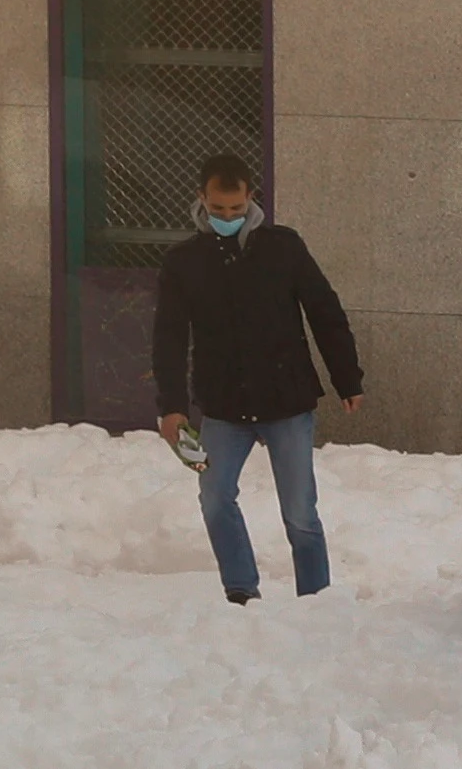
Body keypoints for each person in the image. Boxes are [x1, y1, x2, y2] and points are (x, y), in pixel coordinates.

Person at [154, 154, 364, 603]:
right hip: (223, 406)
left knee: (300, 512)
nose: (227, 217)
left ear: (251, 198)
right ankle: (241, 590)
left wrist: (347, 377)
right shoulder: (184, 261)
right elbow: (168, 336)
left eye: (235, 208)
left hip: (286, 400)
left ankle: (315, 598)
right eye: (218, 209)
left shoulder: (283, 247)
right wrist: (170, 406)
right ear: (201, 200)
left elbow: (324, 312)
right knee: (214, 498)